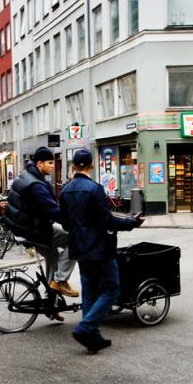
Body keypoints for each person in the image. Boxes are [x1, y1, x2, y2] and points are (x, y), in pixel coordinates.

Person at [60, 149, 144, 353]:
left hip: (79, 248)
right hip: (99, 249)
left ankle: (92, 337)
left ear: (73, 166)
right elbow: (107, 220)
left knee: (89, 291)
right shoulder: (94, 189)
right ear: (90, 165)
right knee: (111, 288)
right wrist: (132, 222)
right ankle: (86, 328)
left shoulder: (65, 190)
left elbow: (65, 223)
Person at [5, 147, 79, 299]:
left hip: (25, 228)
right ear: (39, 163)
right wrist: (74, 223)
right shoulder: (36, 185)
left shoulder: (27, 175)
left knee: (53, 257)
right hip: (33, 230)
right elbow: (53, 210)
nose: (53, 166)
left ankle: (51, 300)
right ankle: (60, 281)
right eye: (50, 162)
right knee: (76, 239)